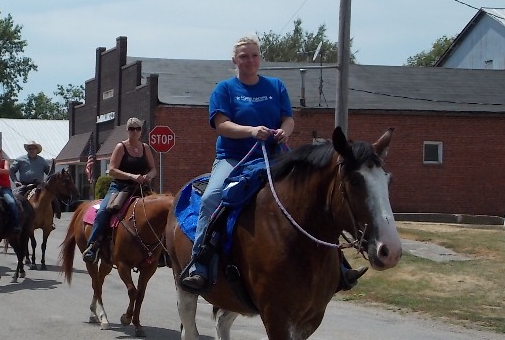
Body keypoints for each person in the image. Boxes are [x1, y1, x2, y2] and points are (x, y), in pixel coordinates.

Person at [179, 34, 366, 293]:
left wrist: (284, 132)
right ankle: (199, 264)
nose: (250, 60)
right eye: (244, 56)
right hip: (234, 159)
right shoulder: (224, 89)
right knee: (212, 197)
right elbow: (222, 125)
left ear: (260, 58)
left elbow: (288, 119)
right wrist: (251, 131)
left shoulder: (275, 86)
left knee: (314, 195)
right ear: (234, 60)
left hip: (276, 156)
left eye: (254, 55)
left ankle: (340, 266)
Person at [82, 117, 156, 263]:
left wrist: (149, 176)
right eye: (132, 129)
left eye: (138, 129)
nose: (135, 132)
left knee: (158, 211)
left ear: (141, 131)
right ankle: (93, 245)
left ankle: (162, 250)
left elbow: (153, 169)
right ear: (127, 130)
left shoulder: (145, 148)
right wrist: (132, 176)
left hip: (141, 188)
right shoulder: (121, 147)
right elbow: (112, 170)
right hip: (120, 188)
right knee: (103, 211)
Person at [10, 140, 62, 218]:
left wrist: (53, 165)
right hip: (25, 185)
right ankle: (16, 217)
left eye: (33, 148)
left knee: (52, 196)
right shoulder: (20, 160)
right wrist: (15, 181)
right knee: (16, 197)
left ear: (36, 150)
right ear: (27, 150)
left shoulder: (42, 160)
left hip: (39, 185)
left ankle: (55, 215)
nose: (31, 150)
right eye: (30, 149)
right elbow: (11, 170)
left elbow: (49, 174)